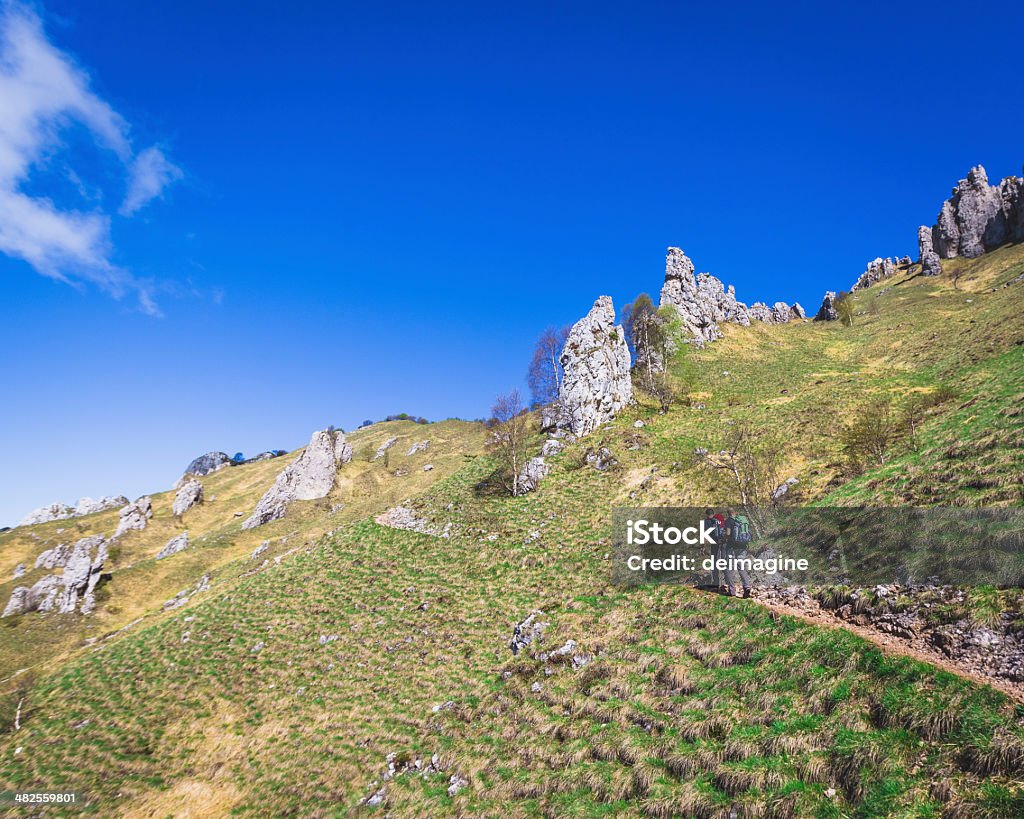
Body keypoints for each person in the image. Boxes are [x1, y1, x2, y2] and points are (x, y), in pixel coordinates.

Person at [723, 507, 752, 598]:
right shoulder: (742, 520)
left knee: (729, 568)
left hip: (731, 547)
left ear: (728, 513)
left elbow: (728, 533)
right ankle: (746, 586)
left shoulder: (728, 521)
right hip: (743, 546)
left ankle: (732, 591)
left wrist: (724, 539)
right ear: (735, 512)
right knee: (741, 567)